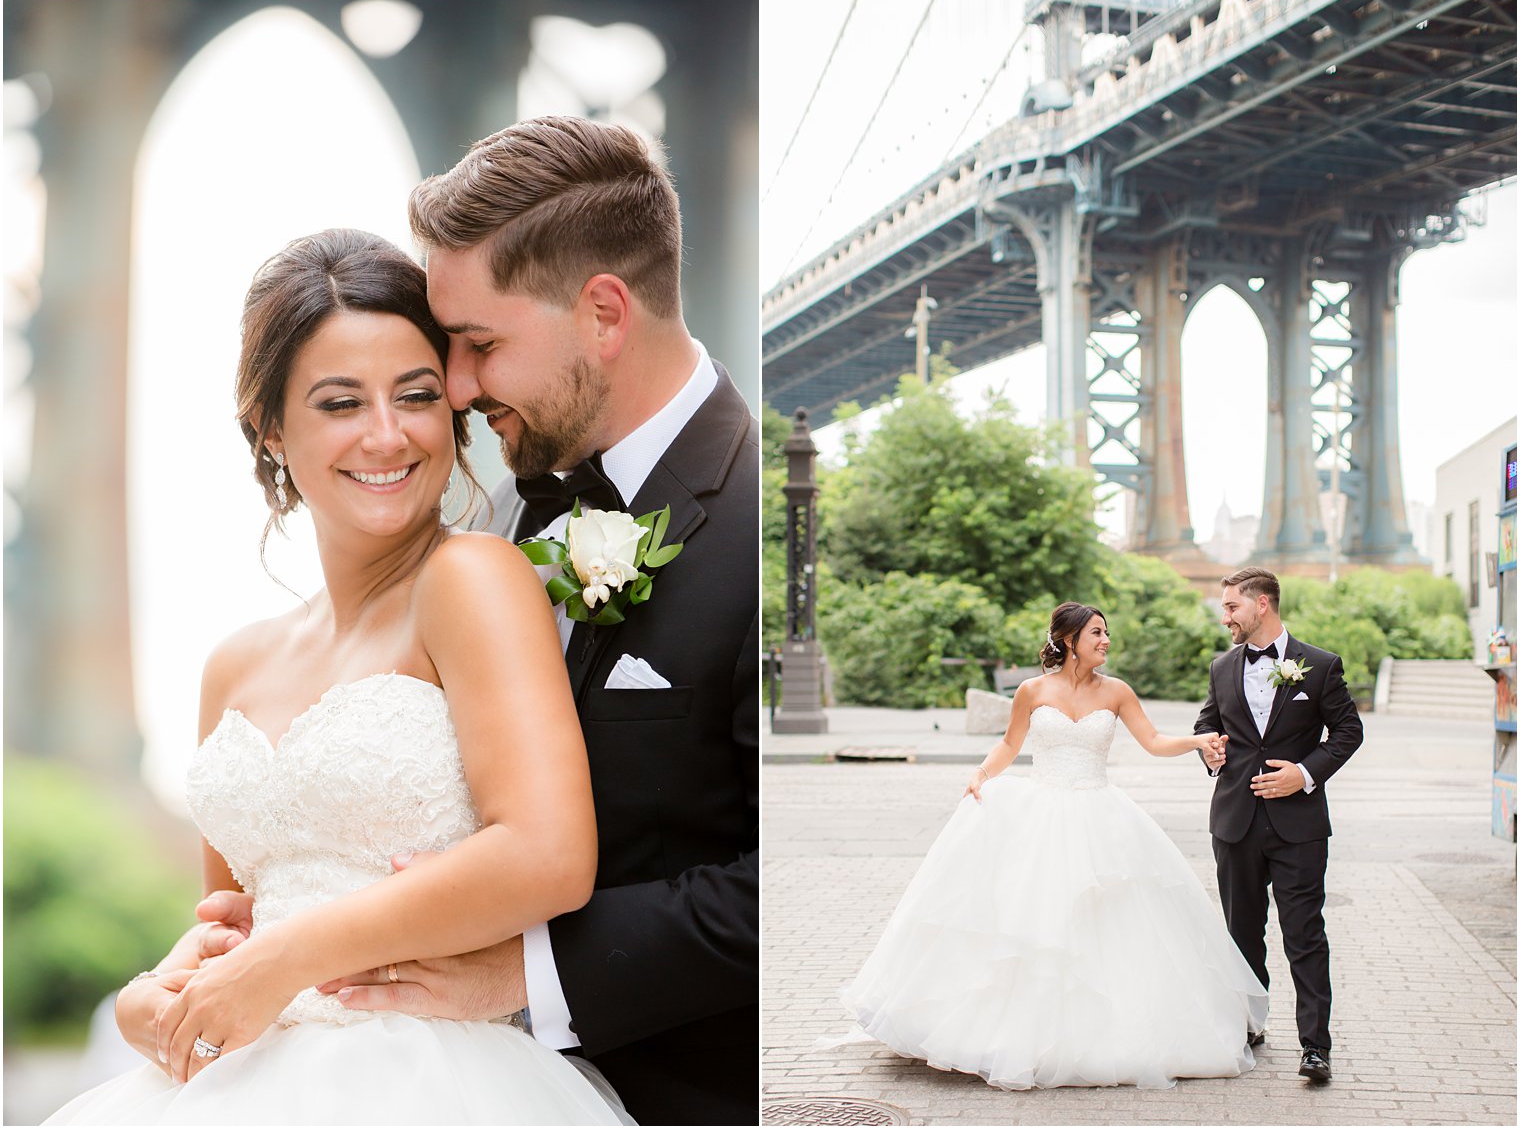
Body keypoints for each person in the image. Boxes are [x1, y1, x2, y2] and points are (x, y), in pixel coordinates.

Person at [191, 117, 758, 1126]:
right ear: (271, 427)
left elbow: (782, 883)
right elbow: (234, 902)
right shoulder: (516, 501)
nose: (450, 394)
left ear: (603, 313)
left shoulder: (761, 526)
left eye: (475, 347)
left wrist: (531, 975)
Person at [48, 228, 630, 1124]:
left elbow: (547, 854)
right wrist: (152, 996)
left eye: (417, 395)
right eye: (340, 402)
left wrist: (290, 958)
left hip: (428, 1078)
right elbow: (234, 919)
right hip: (241, 1080)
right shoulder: (234, 665)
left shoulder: (469, 579)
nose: (388, 434)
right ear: (272, 428)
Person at [839, 602, 1268, 1091]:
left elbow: (1151, 740)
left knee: (1111, 921)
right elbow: (1009, 744)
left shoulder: (1117, 692)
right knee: (1032, 920)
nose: (1106, 640)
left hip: (1100, 814)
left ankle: (1105, 1033)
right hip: (1039, 814)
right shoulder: (1032, 690)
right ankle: (1017, 1034)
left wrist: (1196, 743)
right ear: (1070, 640)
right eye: (1098, 633)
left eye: (1107, 632)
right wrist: (981, 774)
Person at [1194, 566, 1362, 1083]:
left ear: (1261, 604)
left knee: (1304, 936)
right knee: (1241, 932)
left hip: (1299, 826)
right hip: (1235, 821)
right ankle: (1250, 1024)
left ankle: (1315, 1047)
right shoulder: (1222, 667)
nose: (1225, 618)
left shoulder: (1319, 664)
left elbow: (1348, 730)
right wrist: (1210, 748)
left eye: (1231, 608)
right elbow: (1208, 722)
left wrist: (1305, 773)